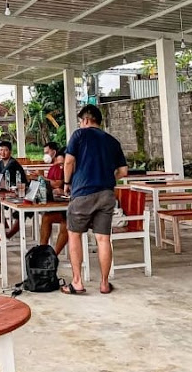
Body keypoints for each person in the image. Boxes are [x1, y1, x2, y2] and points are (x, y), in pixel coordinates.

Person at [61, 104, 127, 295]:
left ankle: (77, 282)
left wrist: (67, 182)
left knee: (74, 235)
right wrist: (107, 179)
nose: (81, 124)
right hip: (107, 194)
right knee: (103, 239)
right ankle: (105, 283)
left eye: (81, 121)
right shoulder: (112, 141)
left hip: (82, 192)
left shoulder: (79, 135)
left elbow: (69, 161)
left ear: (87, 120)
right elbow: (123, 171)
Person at [39, 142, 68, 254]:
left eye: (63, 164)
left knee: (67, 224)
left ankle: (54, 255)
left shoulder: (80, 172)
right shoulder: (59, 168)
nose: (61, 167)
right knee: (46, 218)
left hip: (78, 210)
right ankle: (42, 251)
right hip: (65, 206)